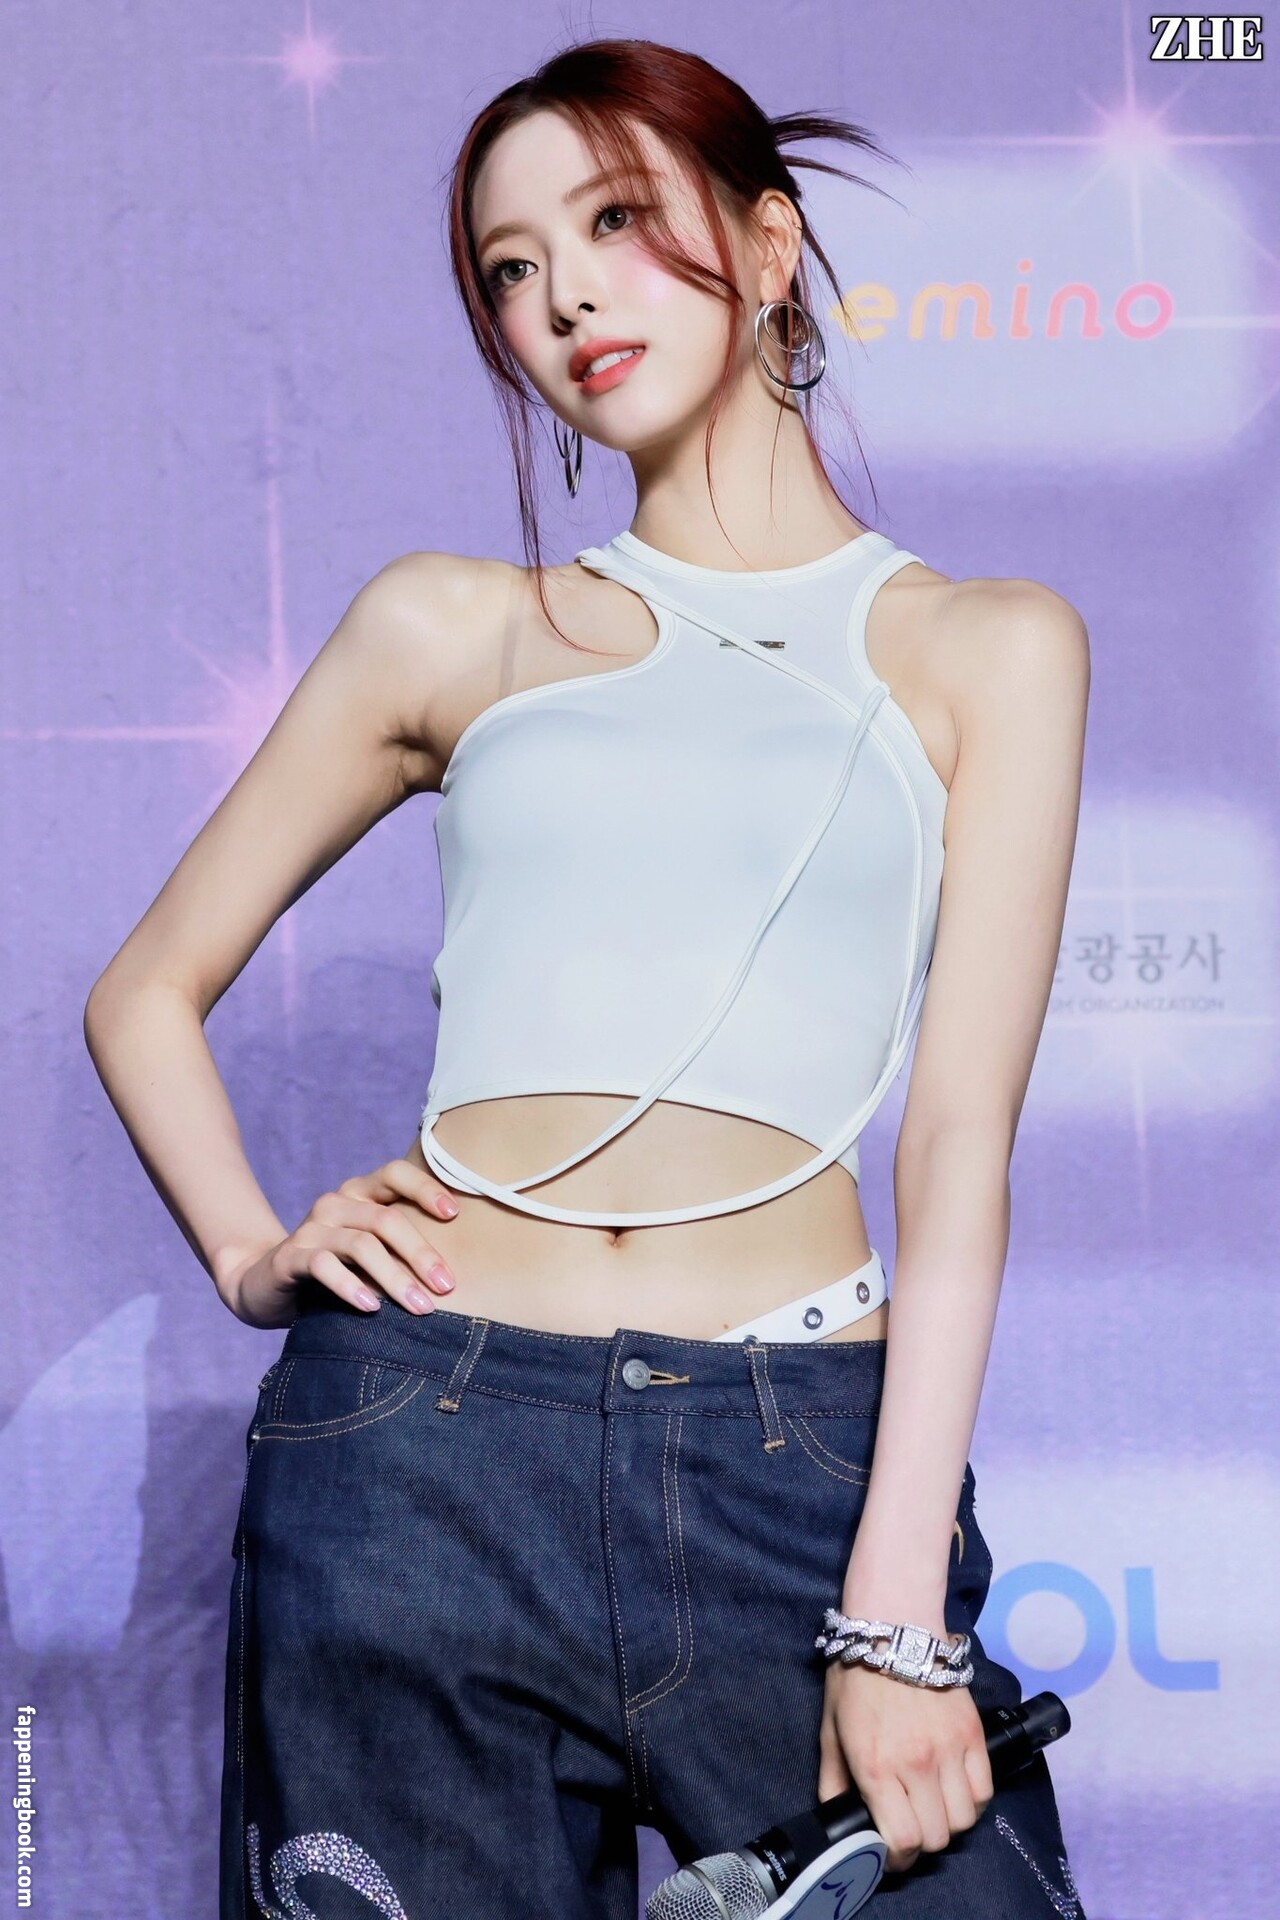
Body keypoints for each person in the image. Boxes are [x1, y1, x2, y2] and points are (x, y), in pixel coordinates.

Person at [84, 36, 1090, 1920]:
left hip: (800, 1459)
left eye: (616, 220)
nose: (563, 297)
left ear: (768, 246)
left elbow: (961, 1139)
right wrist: (249, 1255)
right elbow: (142, 990)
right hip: (416, 1459)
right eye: (511, 268)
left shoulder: (987, 647)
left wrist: (891, 1611)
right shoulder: (452, 625)